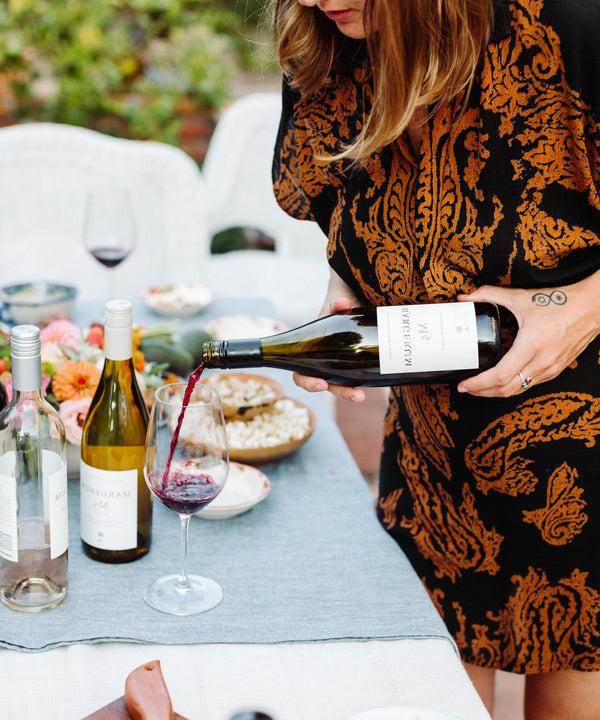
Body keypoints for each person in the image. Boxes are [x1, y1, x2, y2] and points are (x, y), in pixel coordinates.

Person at [271, 0, 600, 717]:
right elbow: (355, 209)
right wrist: (348, 281)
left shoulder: (571, 23)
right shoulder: (327, 45)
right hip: (432, 465)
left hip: (587, 474)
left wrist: (581, 307)